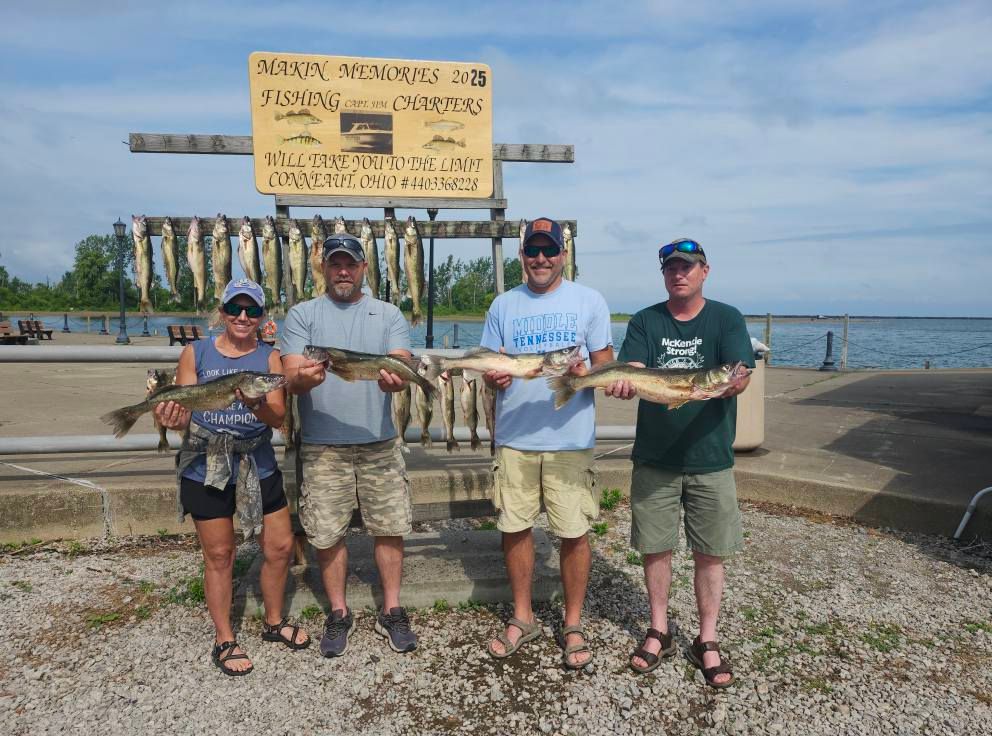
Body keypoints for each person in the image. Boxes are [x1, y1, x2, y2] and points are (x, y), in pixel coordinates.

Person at [608, 238, 753, 688]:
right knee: (657, 547)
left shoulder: (726, 318)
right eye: (671, 267)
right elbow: (633, 365)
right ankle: (658, 629)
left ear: (704, 271)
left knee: (711, 552)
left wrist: (731, 383)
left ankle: (706, 639)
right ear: (664, 274)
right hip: (655, 457)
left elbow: (740, 372)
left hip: (711, 459)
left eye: (687, 267)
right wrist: (625, 380)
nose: (679, 273)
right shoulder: (646, 320)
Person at [155, 278, 310, 677]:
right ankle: (225, 637)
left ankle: (273, 622)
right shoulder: (196, 352)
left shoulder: (269, 358)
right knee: (220, 555)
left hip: (256, 461)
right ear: (222, 312)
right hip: (205, 464)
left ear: (261, 316)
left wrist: (257, 405)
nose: (243, 317)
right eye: (235, 309)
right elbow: (185, 411)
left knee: (279, 547)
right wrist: (170, 418)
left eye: (252, 310)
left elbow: (277, 419)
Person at [481, 217, 614, 669]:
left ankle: (572, 622)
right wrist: (495, 375)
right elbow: (490, 365)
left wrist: (585, 376)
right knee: (514, 528)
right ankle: (523, 616)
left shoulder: (589, 301)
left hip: (570, 441)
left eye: (549, 250)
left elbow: (604, 366)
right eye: (533, 251)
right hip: (515, 439)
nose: (541, 259)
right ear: (522, 256)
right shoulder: (503, 305)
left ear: (562, 254)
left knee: (573, 532)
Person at [280, 234, 418, 658]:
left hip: (380, 442)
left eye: (351, 264)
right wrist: (305, 377)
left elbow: (401, 358)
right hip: (323, 446)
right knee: (326, 532)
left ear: (362, 269)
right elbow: (290, 372)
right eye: (336, 263)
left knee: (390, 526)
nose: (343, 271)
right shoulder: (301, 315)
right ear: (323, 267)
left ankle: (392, 608)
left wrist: (400, 373)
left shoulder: (388, 313)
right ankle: (339, 612)